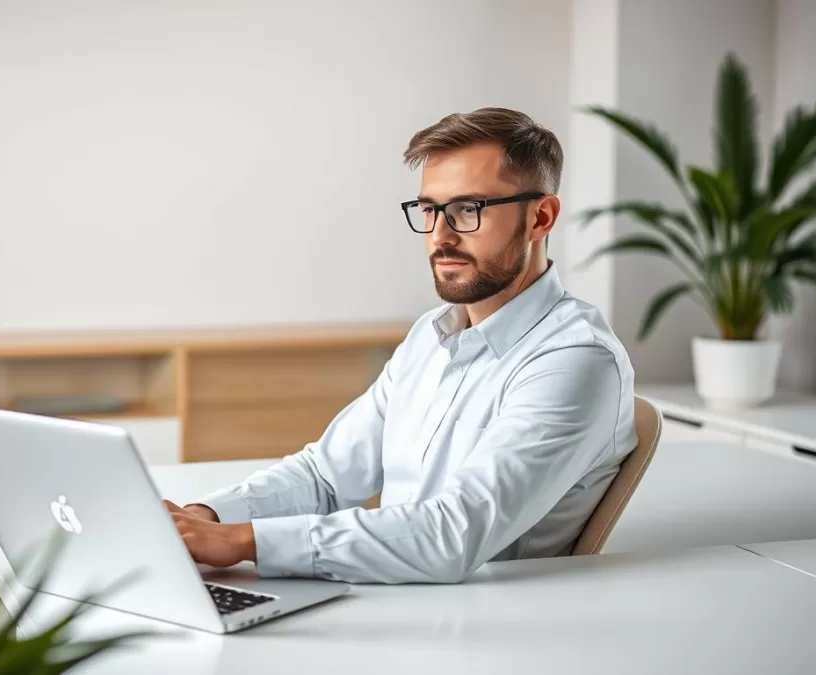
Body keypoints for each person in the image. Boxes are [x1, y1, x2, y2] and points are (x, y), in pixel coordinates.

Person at [164, 107, 638, 584]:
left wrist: (246, 542)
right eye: (430, 209)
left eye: (468, 209)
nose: (440, 236)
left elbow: (452, 535)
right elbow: (327, 475)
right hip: (389, 596)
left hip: (481, 631)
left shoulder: (576, 359)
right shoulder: (431, 336)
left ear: (541, 217)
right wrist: (208, 518)